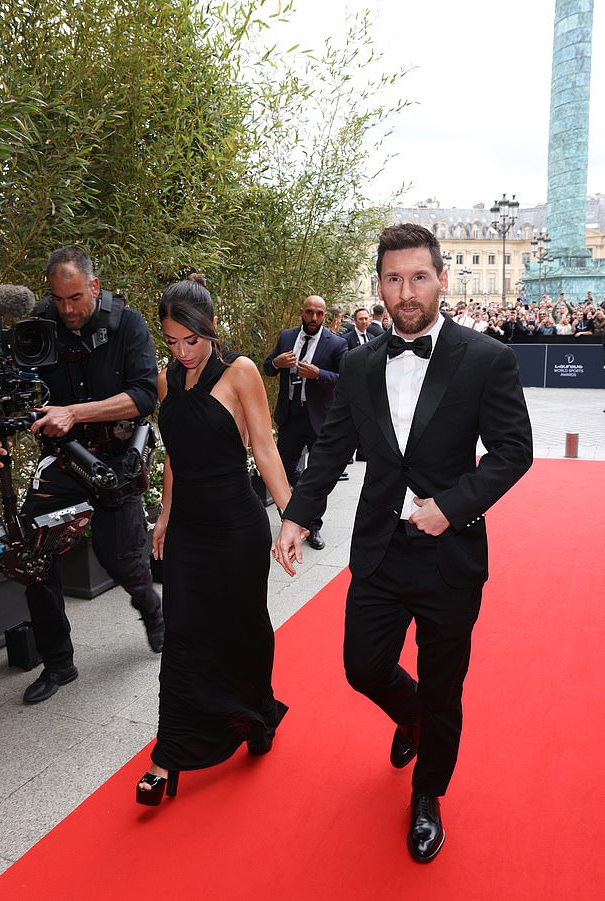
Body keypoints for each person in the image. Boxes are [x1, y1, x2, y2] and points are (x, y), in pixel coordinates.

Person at [273, 224, 533, 863]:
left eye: (419, 277)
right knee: (361, 665)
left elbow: (513, 452)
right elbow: (332, 448)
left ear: (441, 279)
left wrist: (453, 506)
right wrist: (295, 517)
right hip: (380, 550)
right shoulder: (359, 362)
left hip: (450, 553)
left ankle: (427, 794)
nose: (407, 291)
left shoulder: (485, 357)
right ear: (380, 284)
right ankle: (410, 715)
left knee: (446, 684)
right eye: (394, 278)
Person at [0, 247, 164, 704]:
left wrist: (74, 413)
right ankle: (59, 663)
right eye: (60, 300)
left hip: (115, 462)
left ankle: (152, 611)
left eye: (76, 298)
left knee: (123, 561)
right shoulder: (37, 326)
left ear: (94, 287)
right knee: (33, 559)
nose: (68, 310)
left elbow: (144, 396)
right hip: (61, 463)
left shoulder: (129, 325)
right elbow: (9, 386)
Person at [136, 277, 292, 806]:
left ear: (211, 329)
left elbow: (266, 451)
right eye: (172, 342)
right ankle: (170, 754)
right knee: (182, 634)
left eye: (191, 341)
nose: (181, 352)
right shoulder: (165, 382)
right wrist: (163, 516)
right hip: (189, 533)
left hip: (236, 531)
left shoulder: (241, 372)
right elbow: (174, 455)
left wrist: (294, 519)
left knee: (242, 628)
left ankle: (257, 714)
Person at [263, 295, 348, 551]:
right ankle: (302, 501)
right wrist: (276, 363)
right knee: (282, 469)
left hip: (319, 417)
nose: (313, 318)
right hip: (290, 415)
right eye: (309, 312)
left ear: (325, 316)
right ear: (302, 312)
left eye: (319, 313)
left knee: (319, 474)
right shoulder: (287, 336)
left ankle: (314, 525)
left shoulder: (336, 343)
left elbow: (346, 377)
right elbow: (268, 367)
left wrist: (319, 374)